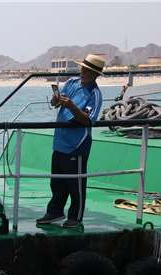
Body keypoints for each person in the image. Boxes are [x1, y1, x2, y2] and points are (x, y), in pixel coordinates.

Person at [36, 54, 104, 229]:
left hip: (76, 145)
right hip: (60, 141)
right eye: (83, 68)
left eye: (87, 70)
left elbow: (88, 120)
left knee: (76, 185)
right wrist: (56, 100)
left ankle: (75, 217)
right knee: (57, 182)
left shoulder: (95, 94)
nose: (83, 72)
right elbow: (57, 103)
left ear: (95, 74)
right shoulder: (72, 83)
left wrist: (71, 106)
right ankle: (55, 212)